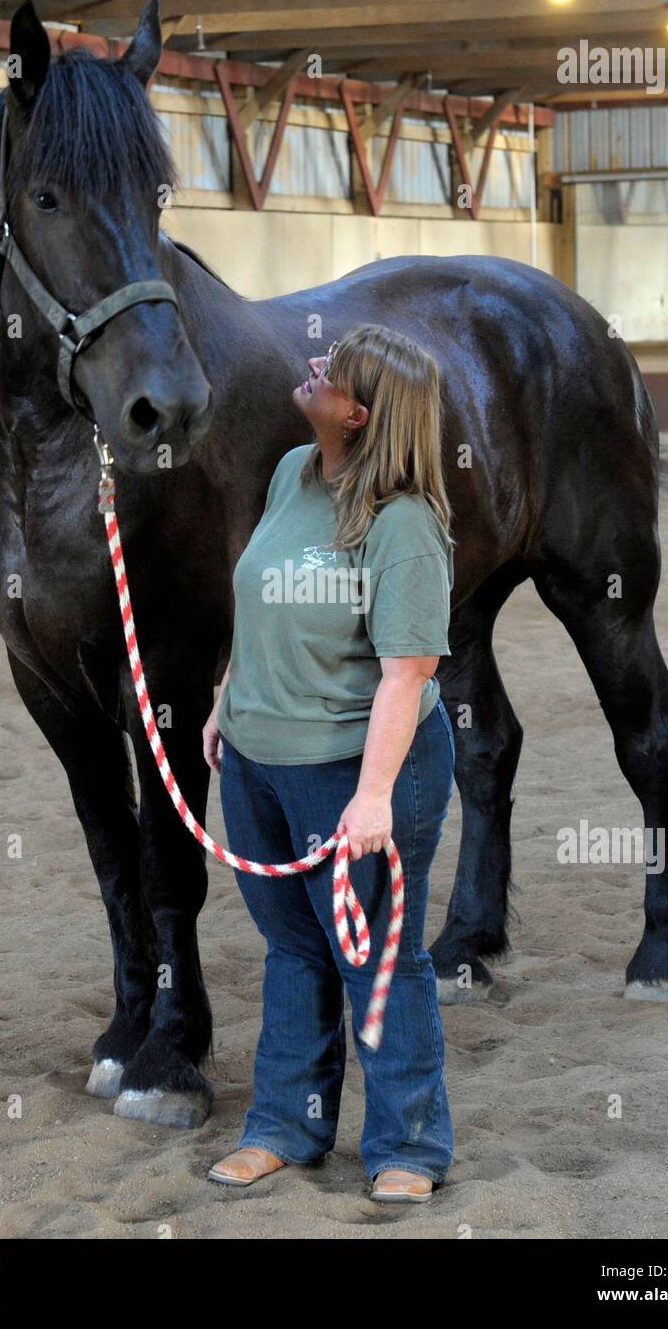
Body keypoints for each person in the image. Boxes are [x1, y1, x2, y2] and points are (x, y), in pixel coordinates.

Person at [203, 323, 456, 1203]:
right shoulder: (291, 474)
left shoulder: (406, 525)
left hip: (354, 764)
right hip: (256, 758)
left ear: (358, 412)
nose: (312, 367)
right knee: (294, 949)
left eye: (333, 371)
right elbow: (262, 595)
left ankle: (409, 1149)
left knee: (379, 958)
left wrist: (375, 796)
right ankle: (286, 1126)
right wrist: (227, 696)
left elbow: (406, 673)